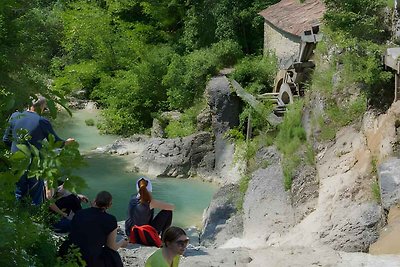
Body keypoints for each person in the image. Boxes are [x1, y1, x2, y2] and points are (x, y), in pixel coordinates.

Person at [2, 95, 75, 205]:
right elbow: (56, 143)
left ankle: (18, 215)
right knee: (35, 193)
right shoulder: (41, 121)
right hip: (33, 163)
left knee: (18, 191)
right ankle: (35, 217)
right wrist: (67, 142)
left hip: (16, 160)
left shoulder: (15, 115)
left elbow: (6, 139)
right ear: (41, 106)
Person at [60, 191, 128, 267]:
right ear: (110, 205)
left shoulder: (79, 213)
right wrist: (122, 242)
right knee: (113, 255)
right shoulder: (110, 219)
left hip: (70, 253)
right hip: (90, 260)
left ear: (94, 200)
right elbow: (111, 247)